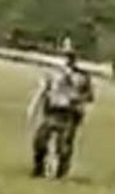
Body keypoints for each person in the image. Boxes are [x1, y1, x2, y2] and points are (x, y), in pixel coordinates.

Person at [29, 43, 97, 179]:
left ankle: (61, 172)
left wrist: (76, 99)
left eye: (70, 56)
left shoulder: (83, 76)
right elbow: (42, 90)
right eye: (65, 55)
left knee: (64, 145)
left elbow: (90, 96)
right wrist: (33, 108)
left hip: (69, 114)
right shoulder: (52, 73)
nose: (68, 59)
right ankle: (38, 168)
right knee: (40, 141)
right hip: (52, 111)